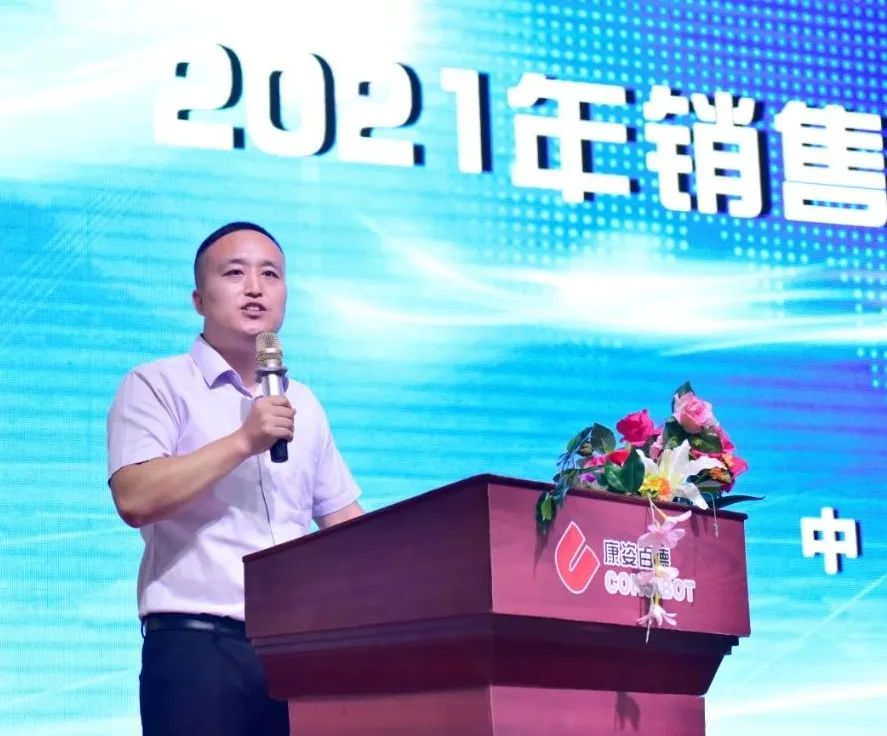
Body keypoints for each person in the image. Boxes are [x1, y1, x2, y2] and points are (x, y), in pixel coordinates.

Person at [106, 222, 363, 736]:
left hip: (295, 653)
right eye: (234, 273)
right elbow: (135, 496)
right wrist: (244, 440)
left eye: (270, 274)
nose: (255, 288)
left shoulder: (303, 402)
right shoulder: (157, 384)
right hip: (197, 648)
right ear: (198, 300)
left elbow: (344, 523)